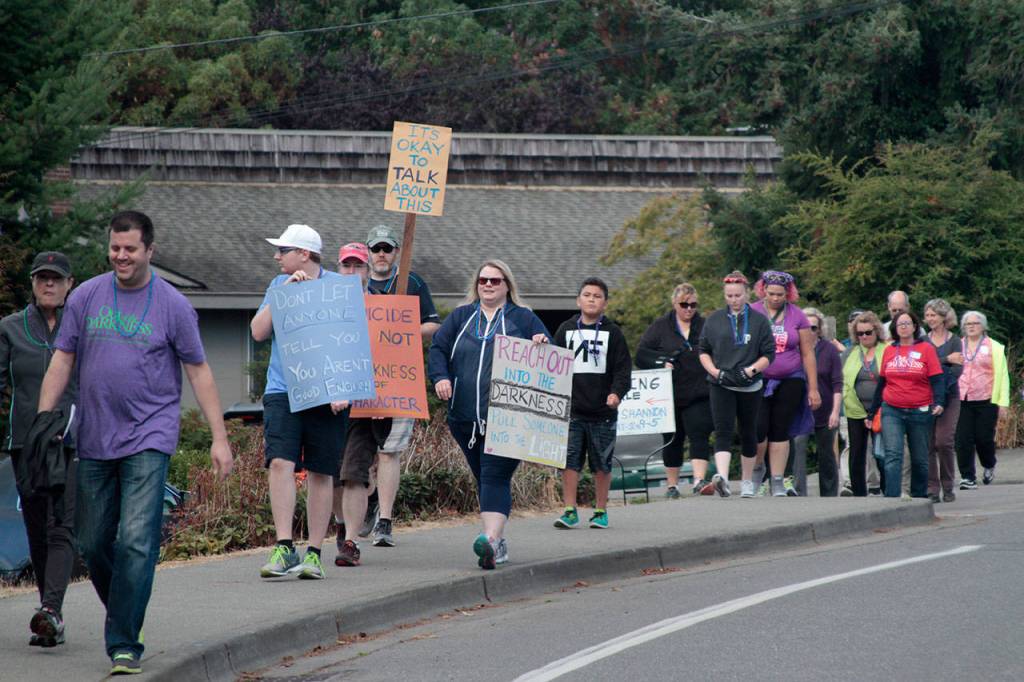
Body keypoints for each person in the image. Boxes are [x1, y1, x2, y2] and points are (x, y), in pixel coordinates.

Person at [36, 211, 233, 675]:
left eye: (130, 249)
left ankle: (124, 643)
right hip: (94, 438)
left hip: (150, 436)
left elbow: (199, 371)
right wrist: (43, 422)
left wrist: (220, 438)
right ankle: (124, 611)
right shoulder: (85, 296)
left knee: (136, 542)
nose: (121, 256)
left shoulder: (172, 305)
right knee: (93, 541)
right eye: (115, 248)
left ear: (149, 251)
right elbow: (63, 360)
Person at [428, 260, 549, 568]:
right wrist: (440, 377)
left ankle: (490, 542)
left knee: (494, 475)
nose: (489, 285)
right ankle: (499, 542)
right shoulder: (461, 317)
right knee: (485, 478)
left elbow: (550, 355)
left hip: (508, 417)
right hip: (464, 418)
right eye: (484, 280)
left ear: (507, 285)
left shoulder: (524, 318)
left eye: (496, 280)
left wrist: (540, 342)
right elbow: (438, 349)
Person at [251, 224, 348, 580]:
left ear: (304, 254)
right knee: (280, 463)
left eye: (283, 250)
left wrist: (343, 387)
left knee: (322, 471)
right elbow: (258, 332)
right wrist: (283, 298)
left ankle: (315, 552)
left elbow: (351, 342)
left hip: (326, 393)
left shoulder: (338, 287)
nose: (277, 256)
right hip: (283, 389)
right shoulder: (278, 286)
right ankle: (284, 545)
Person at [0, 252, 77, 647]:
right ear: (32, 283)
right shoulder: (10, 329)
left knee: (60, 523)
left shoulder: (80, 327)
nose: (49, 284)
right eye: (42, 278)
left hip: (70, 440)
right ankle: (50, 612)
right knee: (36, 528)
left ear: (69, 285)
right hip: (25, 443)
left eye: (56, 279)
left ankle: (51, 610)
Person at [360, 225, 442, 547]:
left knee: (389, 450)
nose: (382, 254)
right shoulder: (356, 284)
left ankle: (385, 519)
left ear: (396, 252)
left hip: (399, 376)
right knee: (360, 452)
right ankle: (365, 503)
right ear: (368, 252)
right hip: (361, 376)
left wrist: (403, 328)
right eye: (376, 248)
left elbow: (434, 323)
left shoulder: (412, 282)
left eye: (388, 248)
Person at [552, 277, 631, 529]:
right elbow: (551, 364)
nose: (591, 299)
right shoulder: (565, 330)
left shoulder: (613, 333)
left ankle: (600, 510)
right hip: (572, 410)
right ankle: (569, 509)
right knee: (570, 461)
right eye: (587, 295)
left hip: (603, 411)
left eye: (597, 296)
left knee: (602, 463)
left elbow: (622, 369)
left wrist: (617, 393)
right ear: (578, 300)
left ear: (605, 303)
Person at [697, 271, 775, 498]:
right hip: (721, 382)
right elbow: (703, 350)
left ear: (747, 293)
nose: (734, 300)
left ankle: (747, 481)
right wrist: (714, 371)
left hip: (749, 384)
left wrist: (751, 370)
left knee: (748, 431)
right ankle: (722, 477)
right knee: (722, 429)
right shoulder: (714, 320)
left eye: (738, 295)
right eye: (730, 296)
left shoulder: (760, 321)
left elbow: (769, 354)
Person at [636, 283, 714, 497]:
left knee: (699, 433)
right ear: (674, 304)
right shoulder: (661, 326)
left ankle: (699, 480)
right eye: (684, 304)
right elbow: (641, 355)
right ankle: (672, 485)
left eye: (693, 305)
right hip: (669, 394)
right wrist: (660, 362)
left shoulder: (705, 326)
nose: (689, 309)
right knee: (672, 439)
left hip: (699, 391)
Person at [749, 271, 821, 498]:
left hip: (791, 378)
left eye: (781, 294)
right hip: (759, 379)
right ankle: (758, 471)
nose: (776, 298)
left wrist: (813, 388)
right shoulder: (752, 312)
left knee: (781, 429)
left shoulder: (797, 316)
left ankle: (778, 480)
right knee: (759, 429)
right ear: (763, 290)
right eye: (771, 293)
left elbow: (808, 353)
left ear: (788, 293)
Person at [868, 311, 944, 498]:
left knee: (919, 459)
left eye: (907, 323)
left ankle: (919, 498)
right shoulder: (889, 350)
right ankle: (892, 500)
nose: (903, 326)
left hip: (920, 410)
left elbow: (937, 379)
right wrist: (872, 413)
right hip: (892, 409)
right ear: (894, 328)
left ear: (915, 327)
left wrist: (939, 402)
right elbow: (882, 383)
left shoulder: (926, 349)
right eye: (900, 324)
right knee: (893, 455)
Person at [331, 242, 374, 566]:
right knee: (330, 475)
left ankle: (350, 542)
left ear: (367, 271)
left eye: (357, 266)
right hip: (326, 404)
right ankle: (341, 522)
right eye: (346, 265)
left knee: (354, 473)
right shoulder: (324, 304)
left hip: (364, 405)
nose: (351, 271)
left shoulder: (383, 310)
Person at [955, 311, 1010, 490]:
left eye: (975, 323)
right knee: (963, 439)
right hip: (962, 399)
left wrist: (1003, 402)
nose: (971, 326)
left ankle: (988, 464)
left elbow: (1002, 375)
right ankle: (967, 477)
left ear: (983, 326)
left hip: (986, 399)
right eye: (968, 323)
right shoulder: (957, 345)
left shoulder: (994, 346)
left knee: (983, 438)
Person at [790, 308, 842, 496]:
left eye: (813, 327)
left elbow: (837, 383)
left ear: (819, 330)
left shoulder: (829, 350)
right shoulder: (793, 349)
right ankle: (797, 492)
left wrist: (836, 411)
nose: (809, 331)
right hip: (798, 409)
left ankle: (829, 495)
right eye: (805, 327)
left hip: (825, 409)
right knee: (797, 449)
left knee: (826, 453)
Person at [841, 312, 888, 496]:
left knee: (882, 453)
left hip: (881, 408)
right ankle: (859, 494)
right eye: (860, 333)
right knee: (857, 452)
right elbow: (840, 378)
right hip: (855, 408)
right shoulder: (850, 352)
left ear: (876, 331)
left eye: (868, 332)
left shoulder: (887, 350)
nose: (864, 337)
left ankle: (888, 489)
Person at [923, 299, 962, 502]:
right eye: (928, 315)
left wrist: (935, 370)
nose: (930, 319)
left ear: (944, 317)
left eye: (934, 315)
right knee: (928, 443)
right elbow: (922, 366)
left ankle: (948, 486)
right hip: (926, 396)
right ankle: (932, 487)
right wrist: (946, 360)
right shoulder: (923, 340)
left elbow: (958, 370)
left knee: (944, 441)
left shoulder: (955, 340)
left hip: (950, 396)